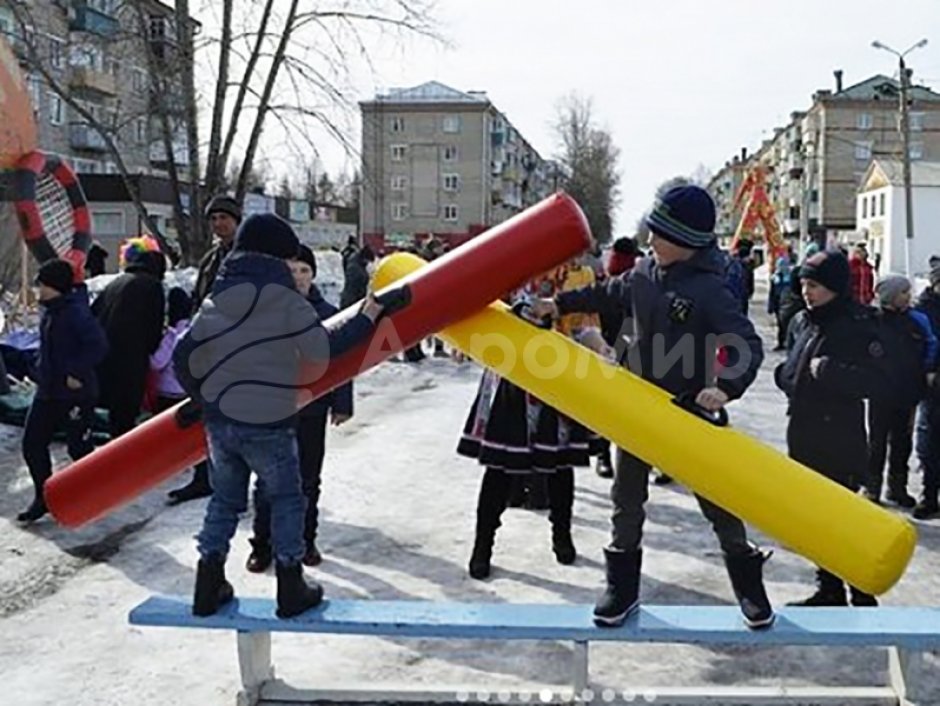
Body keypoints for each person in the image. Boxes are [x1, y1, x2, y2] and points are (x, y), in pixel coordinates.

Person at [531, 185, 772, 630]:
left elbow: (747, 344)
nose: (651, 241)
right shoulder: (643, 273)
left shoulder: (709, 289)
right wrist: (558, 303)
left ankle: (748, 584)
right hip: (638, 407)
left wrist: (724, 387)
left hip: (690, 412)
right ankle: (621, 590)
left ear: (687, 242)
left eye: (660, 234)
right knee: (626, 500)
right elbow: (604, 294)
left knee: (718, 501)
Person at [173, 213, 385, 618]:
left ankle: (208, 581)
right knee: (287, 497)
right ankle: (290, 587)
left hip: (221, 424)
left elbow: (184, 357)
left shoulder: (220, 297)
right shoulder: (283, 299)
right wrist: (366, 319)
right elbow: (321, 348)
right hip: (267, 421)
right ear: (276, 256)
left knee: (225, 500)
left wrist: (205, 398)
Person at [458, 284, 603, 580]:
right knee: (499, 469)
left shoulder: (574, 272)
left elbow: (587, 322)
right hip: (512, 378)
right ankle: (482, 547)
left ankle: (561, 536)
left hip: (557, 378)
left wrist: (590, 341)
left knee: (559, 468)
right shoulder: (511, 264)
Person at [775, 250, 889, 606]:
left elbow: (880, 382)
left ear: (837, 287)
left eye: (816, 285)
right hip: (803, 428)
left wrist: (832, 373)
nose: (808, 292)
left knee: (843, 516)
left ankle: (861, 589)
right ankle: (829, 587)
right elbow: (794, 363)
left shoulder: (859, 324)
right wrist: (786, 377)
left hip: (840, 434)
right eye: (805, 284)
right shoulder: (802, 322)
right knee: (815, 517)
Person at [245, 245, 355, 571]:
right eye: (291, 271)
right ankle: (262, 545)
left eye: (304, 270)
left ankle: (306, 540)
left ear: (313, 275)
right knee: (267, 479)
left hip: (312, 409)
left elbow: (344, 360)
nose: (298, 278)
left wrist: (342, 402)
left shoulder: (329, 314)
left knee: (308, 479)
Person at [18, 259, 108, 523]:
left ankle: (88, 498)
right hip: (47, 391)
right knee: (32, 443)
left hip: (75, 394)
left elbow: (98, 346)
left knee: (78, 448)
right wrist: (37, 369)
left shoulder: (76, 313)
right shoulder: (49, 311)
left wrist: (75, 372)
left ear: (54, 286)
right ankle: (44, 496)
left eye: (42, 284)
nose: (38, 289)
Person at [168, 195, 242, 505]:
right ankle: (203, 476)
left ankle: (234, 481)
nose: (218, 224)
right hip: (207, 344)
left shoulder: (245, 255)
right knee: (203, 411)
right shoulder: (213, 257)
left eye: (224, 218)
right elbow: (201, 296)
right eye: (213, 219)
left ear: (236, 220)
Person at [864, 275, 937, 508]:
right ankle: (871, 486)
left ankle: (897, 487)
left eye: (908, 292)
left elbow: (932, 344)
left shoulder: (917, 320)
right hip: (880, 393)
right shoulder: (872, 321)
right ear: (890, 296)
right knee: (877, 442)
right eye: (903, 293)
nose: (908, 297)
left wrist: (926, 370)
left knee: (902, 442)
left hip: (908, 392)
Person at [92, 249, 166, 439]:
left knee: (111, 414)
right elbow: (153, 327)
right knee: (124, 416)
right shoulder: (152, 286)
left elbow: (94, 312)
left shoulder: (115, 283)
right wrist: (152, 349)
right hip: (130, 359)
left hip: (103, 356)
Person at [914, 262, 940, 519]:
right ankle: (929, 496)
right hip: (934, 384)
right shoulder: (923, 310)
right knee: (931, 440)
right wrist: (929, 368)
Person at [768, 254, 794, 351]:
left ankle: (788, 342)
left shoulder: (790, 277)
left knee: (789, 324)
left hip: (789, 304)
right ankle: (781, 342)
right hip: (778, 303)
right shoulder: (775, 278)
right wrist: (770, 307)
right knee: (780, 324)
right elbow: (771, 293)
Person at [340, 244, 375, 309]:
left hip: (350, 299)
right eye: (368, 261)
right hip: (351, 301)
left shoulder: (354, 261)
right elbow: (356, 285)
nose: (368, 264)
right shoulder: (355, 268)